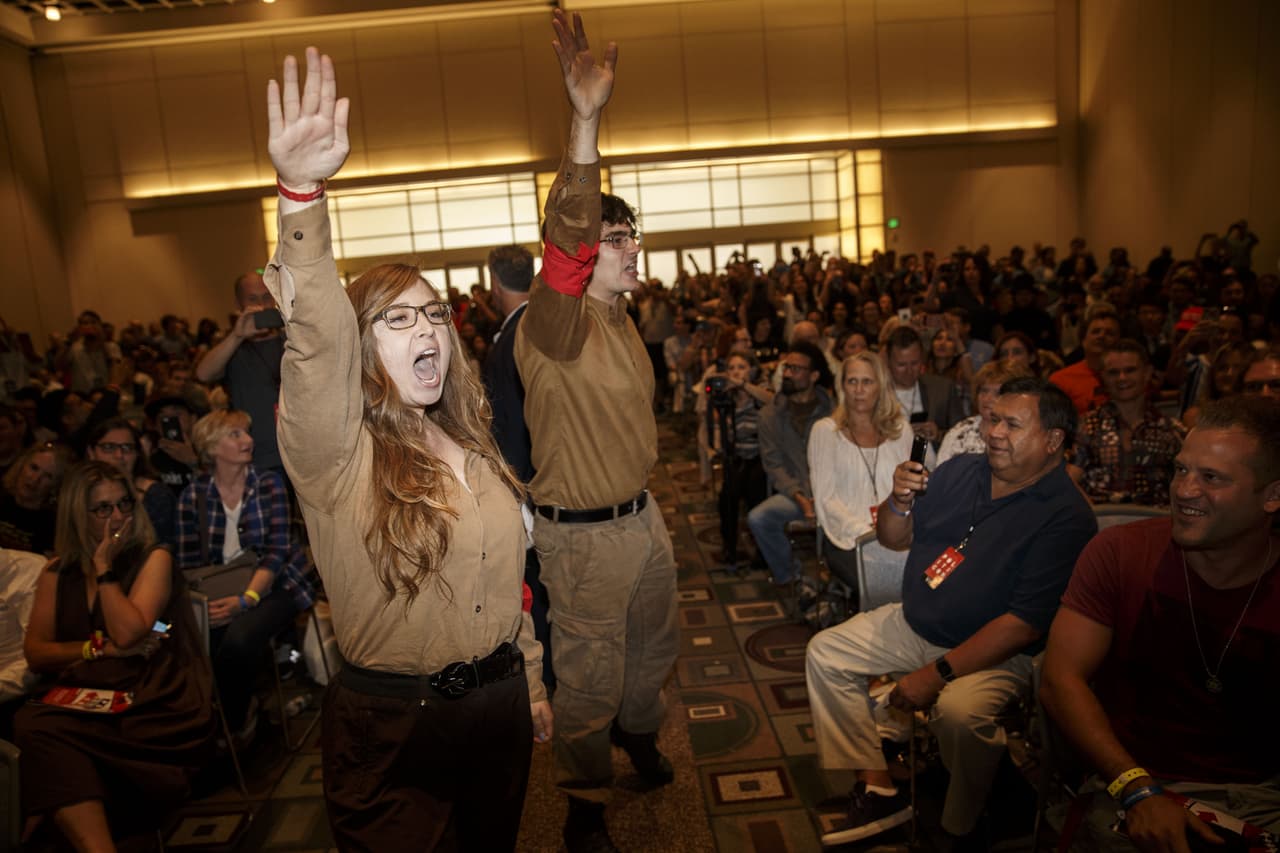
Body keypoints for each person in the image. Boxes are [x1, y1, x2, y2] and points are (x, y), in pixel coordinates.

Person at [260, 46, 547, 850]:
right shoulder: (335, 454)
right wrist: (302, 195)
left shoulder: (470, 438)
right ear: (363, 346)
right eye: (397, 319)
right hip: (392, 730)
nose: (425, 328)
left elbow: (509, 573)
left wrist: (530, 678)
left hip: (498, 714)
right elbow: (315, 337)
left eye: (433, 315)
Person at [513, 15, 678, 850]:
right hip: (580, 540)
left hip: (643, 521)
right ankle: (582, 804)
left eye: (631, 232)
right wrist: (585, 122)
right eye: (617, 237)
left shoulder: (620, 319)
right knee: (586, 680)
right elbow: (568, 236)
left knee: (653, 652)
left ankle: (638, 733)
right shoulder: (557, 323)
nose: (629, 246)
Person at [806, 377, 1096, 846]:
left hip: (993, 652)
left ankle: (958, 825)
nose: (995, 432)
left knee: (961, 715)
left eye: (1012, 424)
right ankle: (878, 784)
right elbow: (895, 538)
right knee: (825, 652)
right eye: (992, 419)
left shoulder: (1066, 516)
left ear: (1053, 440)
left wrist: (935, 673)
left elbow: (1022, 625)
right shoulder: (961, 468)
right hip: (916, 620)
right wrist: (898, 502)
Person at [1040, 396, 1280, 850]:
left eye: (1211, 478)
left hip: (1261, 794)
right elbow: (1059, 680)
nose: (1184, 490)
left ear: (1272, 496)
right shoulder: (1119, 553)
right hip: (1130, 777)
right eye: (1181, 470)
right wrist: (1137, 788)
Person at [15, 461, 214, 850]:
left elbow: (129, 632)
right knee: (33, 725)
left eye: (124, 504)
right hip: (91, 690)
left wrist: (104, 569)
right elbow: (37, 652)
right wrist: (96, 649)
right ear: (78, 515)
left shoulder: (153, 558)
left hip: (152, 693)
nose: (118, 516)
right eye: (103, 509)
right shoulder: (57, 572)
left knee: (44, 738)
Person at [175, 409, 315, 740]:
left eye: (247, 432)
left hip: (279, 585)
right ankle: (238, 713)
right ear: (211, 447)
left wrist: (246, 599)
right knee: (184, 639)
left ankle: (229, 728)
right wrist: (205, 607)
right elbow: (187, 565)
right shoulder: (192, 496)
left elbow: (276, 553)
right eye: (235, 434)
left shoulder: (268, 484)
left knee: (237, 640)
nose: (249, 440)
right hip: (215, 590)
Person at [480, 243, 553, 690]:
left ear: (494, 283)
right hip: (550, 473)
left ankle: (545, 672)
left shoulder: (512, 339)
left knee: (535, 587)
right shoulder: (543, 327)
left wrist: (512, 491)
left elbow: (509, 427)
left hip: (526, 479)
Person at [808, 352, 918, 590]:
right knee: (889, 584)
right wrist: (868, 533)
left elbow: (916, 487)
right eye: (852, 381)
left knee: (933, 580)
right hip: (848, 538)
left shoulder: (902, 430)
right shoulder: (825, 432)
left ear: (881, 386)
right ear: (842, 387)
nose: (858, 389)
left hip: (901, 534)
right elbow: (827, 501)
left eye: (867, 382)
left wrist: (897, 531)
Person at [747, 341, 835, 584]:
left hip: (833, 491)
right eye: (787, 367)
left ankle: (840, 578)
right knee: (759, 518)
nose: (787, 374)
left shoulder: (834, 411)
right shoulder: (770, 414)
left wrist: (823, 495)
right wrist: (801, 497)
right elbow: (774, 466)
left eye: (796, 369)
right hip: (795, 493)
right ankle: (792, 577)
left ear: (814, 375)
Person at [194, 270, 287, 475]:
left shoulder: (292, 340)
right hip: (256, 456)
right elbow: (203, 374)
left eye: (266, 297)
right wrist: (237, 336)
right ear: (239, 304)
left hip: (300, 452)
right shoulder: (233, 347)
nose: (262, 305)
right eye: (252, 299)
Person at [1072, 341, 1186, 506]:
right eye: (1113, 372)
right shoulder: (1086, 426)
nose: (1122, 378)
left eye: (1130, 370)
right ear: (1102, 377)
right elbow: (1069, 480)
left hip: (1155, 522)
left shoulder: (1172, 430)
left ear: (1147, 373)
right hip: (1102, 521)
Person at [708, 351, 773, 570]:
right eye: (732, 368)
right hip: (736, 457)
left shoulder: (759, 393)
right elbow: (717, 428)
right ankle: (730, 548)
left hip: (760, 457)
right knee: (727, 498)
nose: (736, 372)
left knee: (756, 494)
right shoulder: (727, 398)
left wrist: (744, 386)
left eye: (741, 367)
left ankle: (763, 550)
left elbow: (774, 401)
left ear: (751, 371)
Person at [85, 417, 178, 548]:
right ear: (91, 452)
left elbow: (165, 551)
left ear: (137, 454)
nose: (119, 455)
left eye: (127, 448)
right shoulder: (80, 490)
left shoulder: (157, 495)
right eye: (109, 447)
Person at [936, 359, 1033, 465]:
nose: (987, 399)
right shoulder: (960, 431)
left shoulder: (1024, 434)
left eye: (997, 393)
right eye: (984, 390)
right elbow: (941, 475)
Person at [884, 326, 964, 446]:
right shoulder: (876, 393)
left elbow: (964, 436)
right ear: (888, 362)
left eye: (915, 363)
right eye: (901, 365)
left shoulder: (943, 388)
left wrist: (938, 435)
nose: (909, 371)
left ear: (922, 359)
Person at [0, 442, 71, 555]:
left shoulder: (53, 525)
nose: (35, 479)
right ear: (22, 465)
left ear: (56, 485)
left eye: (48, 476)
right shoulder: (2, 496)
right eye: (34, 468)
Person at [1050, 310, 1122, 415]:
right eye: (1095, 331)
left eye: (1109, 333)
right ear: (1083, 340)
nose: (1101, 336)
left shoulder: (1130, 376)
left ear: (1119, 341)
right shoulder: (1061, 380)